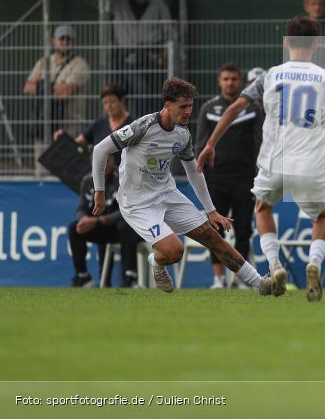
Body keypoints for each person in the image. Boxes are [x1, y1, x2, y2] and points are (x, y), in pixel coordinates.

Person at [198, 17, 325, 302]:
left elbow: (236, 107)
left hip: (275, 160)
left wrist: (211, 143)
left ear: (286, 43)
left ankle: (274, 266)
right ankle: (314, 264)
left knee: (263, 209)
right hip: (312, 163)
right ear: (315, 44)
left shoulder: (271, 75)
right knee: (320, 218)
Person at [90, 77, 280, 296]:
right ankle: (156, 261)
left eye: (190, 106)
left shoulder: (183, 134)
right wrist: (100, 192)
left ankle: (261, 284)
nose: (188, 111)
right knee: (174, 251)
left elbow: (193, 172)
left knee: (212, 237)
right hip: (137, 203)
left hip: (167, 194)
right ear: (168, 105)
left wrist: (211, 211)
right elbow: (100, 150)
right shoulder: (142, 127)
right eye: (183, 106)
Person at [60, 0, 174, 117]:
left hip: (152, 61)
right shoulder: (118, 1)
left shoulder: (157, 3)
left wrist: (164, 56)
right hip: (127, 60)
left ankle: (151, 128)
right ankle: (139, 128)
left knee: (156, 96)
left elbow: (170, 32)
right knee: (140, 90)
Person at [196, 63, 263, 289]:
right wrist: (201, 174)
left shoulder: (253, 109)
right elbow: (201, 143)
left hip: (245, 178)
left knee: (244, 229)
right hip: (216, 178)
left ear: (240, 82)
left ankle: (240, 278)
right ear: (219, 81)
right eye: (225, 79)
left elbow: (259, 143)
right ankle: (218, 279)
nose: (230, 83)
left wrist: (259, 171)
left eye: (234, 79)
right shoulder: (208, 108)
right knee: (214, 230)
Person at [68, 154, 143, 288]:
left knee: (125, 226)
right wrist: (83, 218)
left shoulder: (123, 178)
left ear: (113, 160)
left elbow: (127, 211)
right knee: (74, 228)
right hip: (102, 228)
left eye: (106, 160)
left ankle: (130, 278)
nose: (101, 165)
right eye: (97, 161)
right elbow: (81, 207)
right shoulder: (87, 180)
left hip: (127, 229)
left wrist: (99, 221)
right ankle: (83, 277)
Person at [24, 25, 90, 135]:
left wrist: (41, 86)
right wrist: (56, 86)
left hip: (69, 126)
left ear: (73, 42)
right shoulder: (44, 62)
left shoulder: (80, 64)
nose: (65, 42)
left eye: (68, 39)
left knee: (65, 152)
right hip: (42, 123)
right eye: (62, 38)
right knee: (42, 152)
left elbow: (65, 92)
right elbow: (27, 88)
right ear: (53, 41)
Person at [54, 84, 133, 148]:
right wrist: (64, 137)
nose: (109, 106)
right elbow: (77, 143)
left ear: (122, 101)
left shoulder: (132, 125)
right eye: (105, 103)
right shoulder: (99, 124)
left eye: (112, 101)